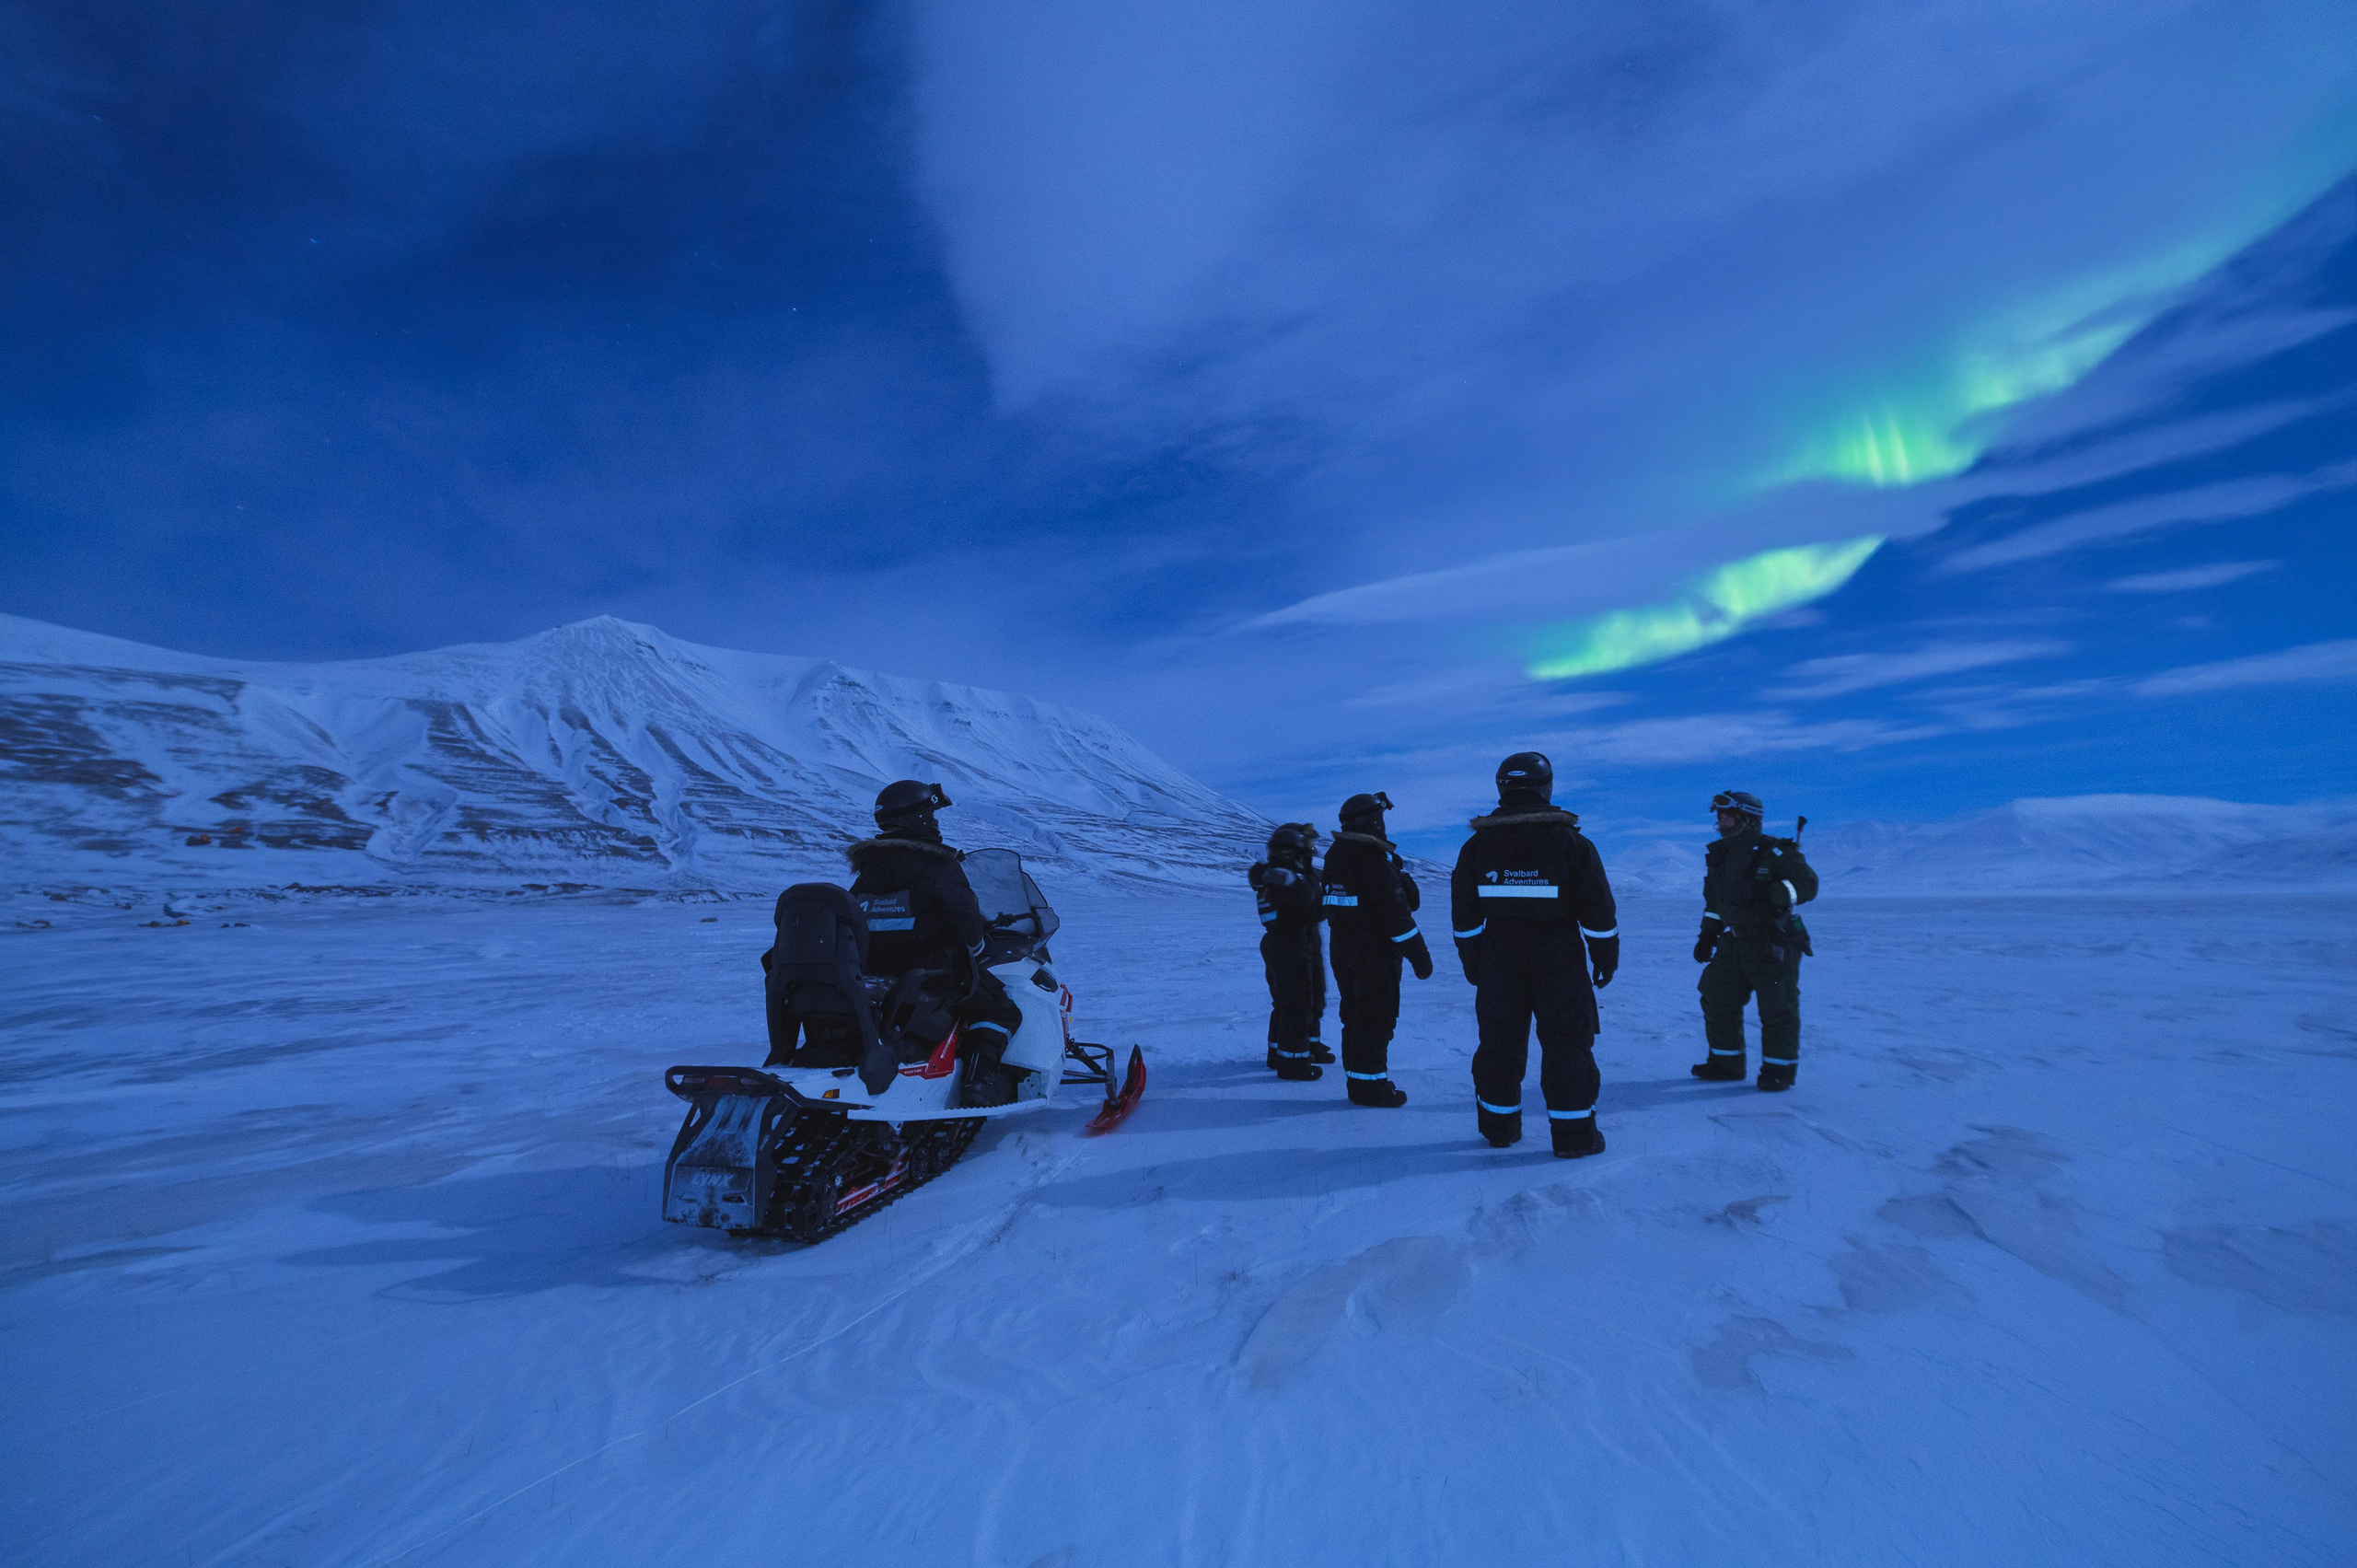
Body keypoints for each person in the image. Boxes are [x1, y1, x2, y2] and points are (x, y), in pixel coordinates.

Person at [1449, 752, 1620, 1157]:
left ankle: (1499, 1130)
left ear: (1502, 788)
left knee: (1498, 1043)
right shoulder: (1572, 843)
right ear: (1547, 788)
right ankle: (1575, 1138)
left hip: (1498, 957)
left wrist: (1474, 961)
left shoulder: (1476, 847)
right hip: (1558, 956)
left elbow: (1465, 917)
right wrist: (1605, 956)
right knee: (1566, 1043)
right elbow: (1598, 912)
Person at [844, 780, 1027, 1086]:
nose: (936, 822)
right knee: (1001, 1010)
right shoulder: (939, 865)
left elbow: (858, 919)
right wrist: (979, 947)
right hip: (933, 977)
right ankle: (977, 1085)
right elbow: (967, 926)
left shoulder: (869, 871)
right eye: (932, 814)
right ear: (920, 818)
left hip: (875, 976)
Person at [1690, 789, 1817, 1091]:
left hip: (1771, 942)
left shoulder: (1775, 852)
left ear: (1746, 820)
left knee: (1778, 1007)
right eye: (1719, 817)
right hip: (1733, 942)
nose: (1720, 822)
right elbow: (1715, 904)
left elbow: (1808, 886)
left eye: (1726, 816)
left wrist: (1774, 892)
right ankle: (1726, 1064)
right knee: (1716, 998)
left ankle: (1778, 1071)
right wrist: (1707, 936)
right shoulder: (1721, 856)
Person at [1318, 793, 1433, 1106]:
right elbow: (1398, 914)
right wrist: (1419, 956)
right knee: (1375, 1018)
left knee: (1354, 1016)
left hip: (1342, 948)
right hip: (1374, 953)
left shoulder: (1335, 857)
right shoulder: (1372, 861)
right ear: (1374, 822)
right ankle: (1370, 1088)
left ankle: (1359, 1082)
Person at [1250, 822, 1329, 1082]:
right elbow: (1314, 906)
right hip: (1290, 943)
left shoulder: (1287, 874)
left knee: (1312, 997)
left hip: (1301, 940)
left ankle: (1306, 1047)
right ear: (1290, 851)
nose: (1311, 851)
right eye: (1305, 847)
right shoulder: (1282, 877)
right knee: (1296, 1004)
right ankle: (1292, 1062)